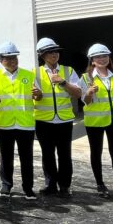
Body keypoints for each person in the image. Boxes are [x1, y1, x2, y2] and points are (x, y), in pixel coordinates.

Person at [0, 42, 39, 201]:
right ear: (0, 60)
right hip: (5, 123)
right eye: (8, 58)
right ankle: (6, 185)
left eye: (14, 58)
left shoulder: (29, 75)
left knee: (27, 158)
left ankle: (28, 188)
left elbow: (38, 96)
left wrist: (38, 94)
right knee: (6, 157)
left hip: (25, 123)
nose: (12, 61)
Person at [33, 38, 83, 199]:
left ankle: (65, 186)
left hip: (64, 120)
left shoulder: (68, 71)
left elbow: (78, 93)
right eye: (50, 52)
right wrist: (37, 95)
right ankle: (50, 185)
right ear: (42, 55)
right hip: (43, 120)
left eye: (56, 51)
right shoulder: (34, 73)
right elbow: (33, 96)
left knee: (65, 154)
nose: (54, 54)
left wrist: (63, 82)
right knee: (47, 154)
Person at [82, 43, 113, 199]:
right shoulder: (86, 78)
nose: (102, 59)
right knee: (96, 153)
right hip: (95, 122)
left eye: (105, 56)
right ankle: (100, 185)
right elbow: (85, 101)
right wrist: (89, 93)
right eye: (98, 57)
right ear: (92, 60)